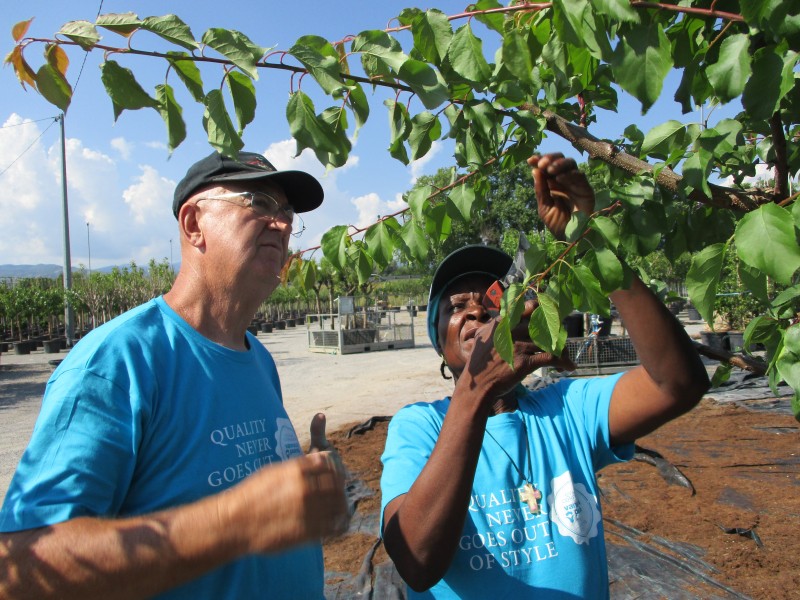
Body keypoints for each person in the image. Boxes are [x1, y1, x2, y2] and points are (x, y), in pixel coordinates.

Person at [0, 151, 350, 599]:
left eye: (287, 212)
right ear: (193, 224)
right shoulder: (117, 363)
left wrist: (306, 486)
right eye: (259, 202)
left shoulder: (258, 358)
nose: (281, 224)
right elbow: (24, 570)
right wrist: (235, 521)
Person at [379, 153, 710, 598]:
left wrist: (590, 239)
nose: (477, 308)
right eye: (456, 307)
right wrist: (476, 390)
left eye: (494, 300)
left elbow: (679, 383)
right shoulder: (418, 427)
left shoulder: (566, 409)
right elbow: (417, 563)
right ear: (440, 346)